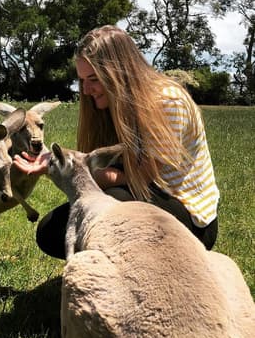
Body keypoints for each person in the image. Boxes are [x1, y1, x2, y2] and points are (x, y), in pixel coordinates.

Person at [13, 25, 219, 258]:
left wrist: (70, 173)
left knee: (99, 216)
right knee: (52, 231)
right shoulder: (112, 106)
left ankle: (145, 272)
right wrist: (56, 163)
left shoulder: (168, 101)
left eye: (93, 79)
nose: (87, 89)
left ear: (120, 74)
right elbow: (104, 168)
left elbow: (140, 178)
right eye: (81, 80)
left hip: (188, 218)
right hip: (140, 195)